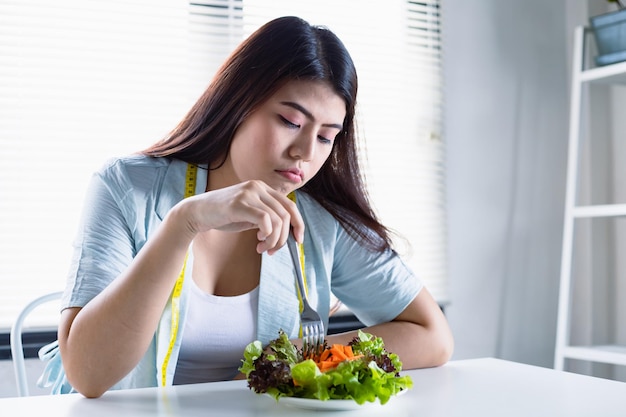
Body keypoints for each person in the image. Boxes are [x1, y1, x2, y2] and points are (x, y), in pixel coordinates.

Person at [41, 15, 453, 398]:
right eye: (290, 122)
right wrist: (185, 223)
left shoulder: (319, 220)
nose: (305, 152)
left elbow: (433, 335)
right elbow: (88, 375)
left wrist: (292, 354)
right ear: (238, 103)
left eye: (326, 136)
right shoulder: (125, 186)